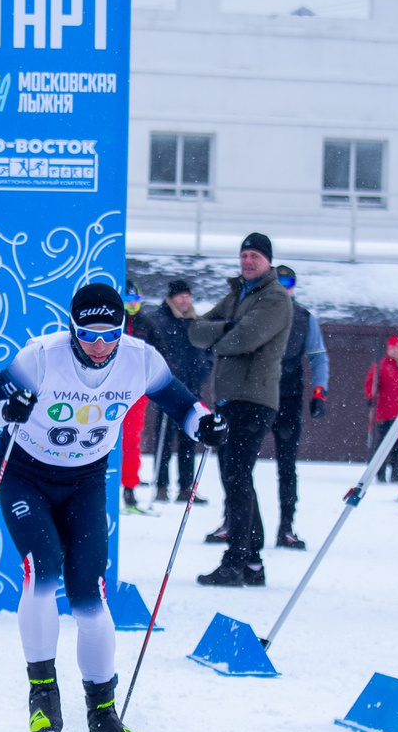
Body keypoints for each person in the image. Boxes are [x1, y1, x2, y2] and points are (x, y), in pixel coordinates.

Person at [0, 283, 218, 732]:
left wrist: (203, 422)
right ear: (72, 328)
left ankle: (102, 714)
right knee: (43, 569)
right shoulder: (41, 357)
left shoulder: (141, 360)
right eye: (88, 333)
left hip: (84, 480)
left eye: (110, 333)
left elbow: (183, 405)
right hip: (25, 474)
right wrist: (4, 411)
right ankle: (43, 694)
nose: (100, 344)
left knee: (89, 596)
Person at [188, 233, 295, 588]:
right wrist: (228, 328)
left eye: (255, 256)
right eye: (244, 255)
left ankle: (236, 561)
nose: (248, 261)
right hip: (230, 398)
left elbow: (244, 339)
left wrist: (225, 334)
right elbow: (196, 331)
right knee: (237, 477)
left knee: (236, 476)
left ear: (268, 261)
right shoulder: (238, 294)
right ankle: (251, 562)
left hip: (254, 398)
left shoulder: (274, 297)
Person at [268, 265, 328, 550]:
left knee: (287, 465)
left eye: (288, 282)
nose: (283, 287)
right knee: (238, 464)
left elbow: (318, 356)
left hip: (288, 398)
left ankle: (286, 527)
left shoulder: (304, 318)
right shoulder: (255, 311)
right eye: (278, 282)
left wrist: (320, 391)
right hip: (255, 397)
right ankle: (232, 522)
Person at [143, 277, 213, 504]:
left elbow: (207, 353)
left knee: (189, 439)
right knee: (164, 440)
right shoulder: (159, 321)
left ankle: (186, 487)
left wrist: (202, 371)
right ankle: (161, 485)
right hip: (168, 390)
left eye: (187, 296)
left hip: (192, 389)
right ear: (172, 298)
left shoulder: (195, 323)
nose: (185, 301)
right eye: (181, 296)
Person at [364, 335, 398, 484]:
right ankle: (380, 472)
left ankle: (396, 472)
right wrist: (371, 396)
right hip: (384, 412)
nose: (396, 351)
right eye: (393, 347)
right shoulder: (380, 366)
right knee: (383, 444)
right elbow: (370, 384)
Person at [117, 289, 152, 512]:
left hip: (137, 392)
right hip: (110, 389)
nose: (132, 304)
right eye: (128, 300)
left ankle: (129, 489)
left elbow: (160, 354)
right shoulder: (112, 321)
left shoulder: (146, 323)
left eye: (136, 299)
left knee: (131, 441)